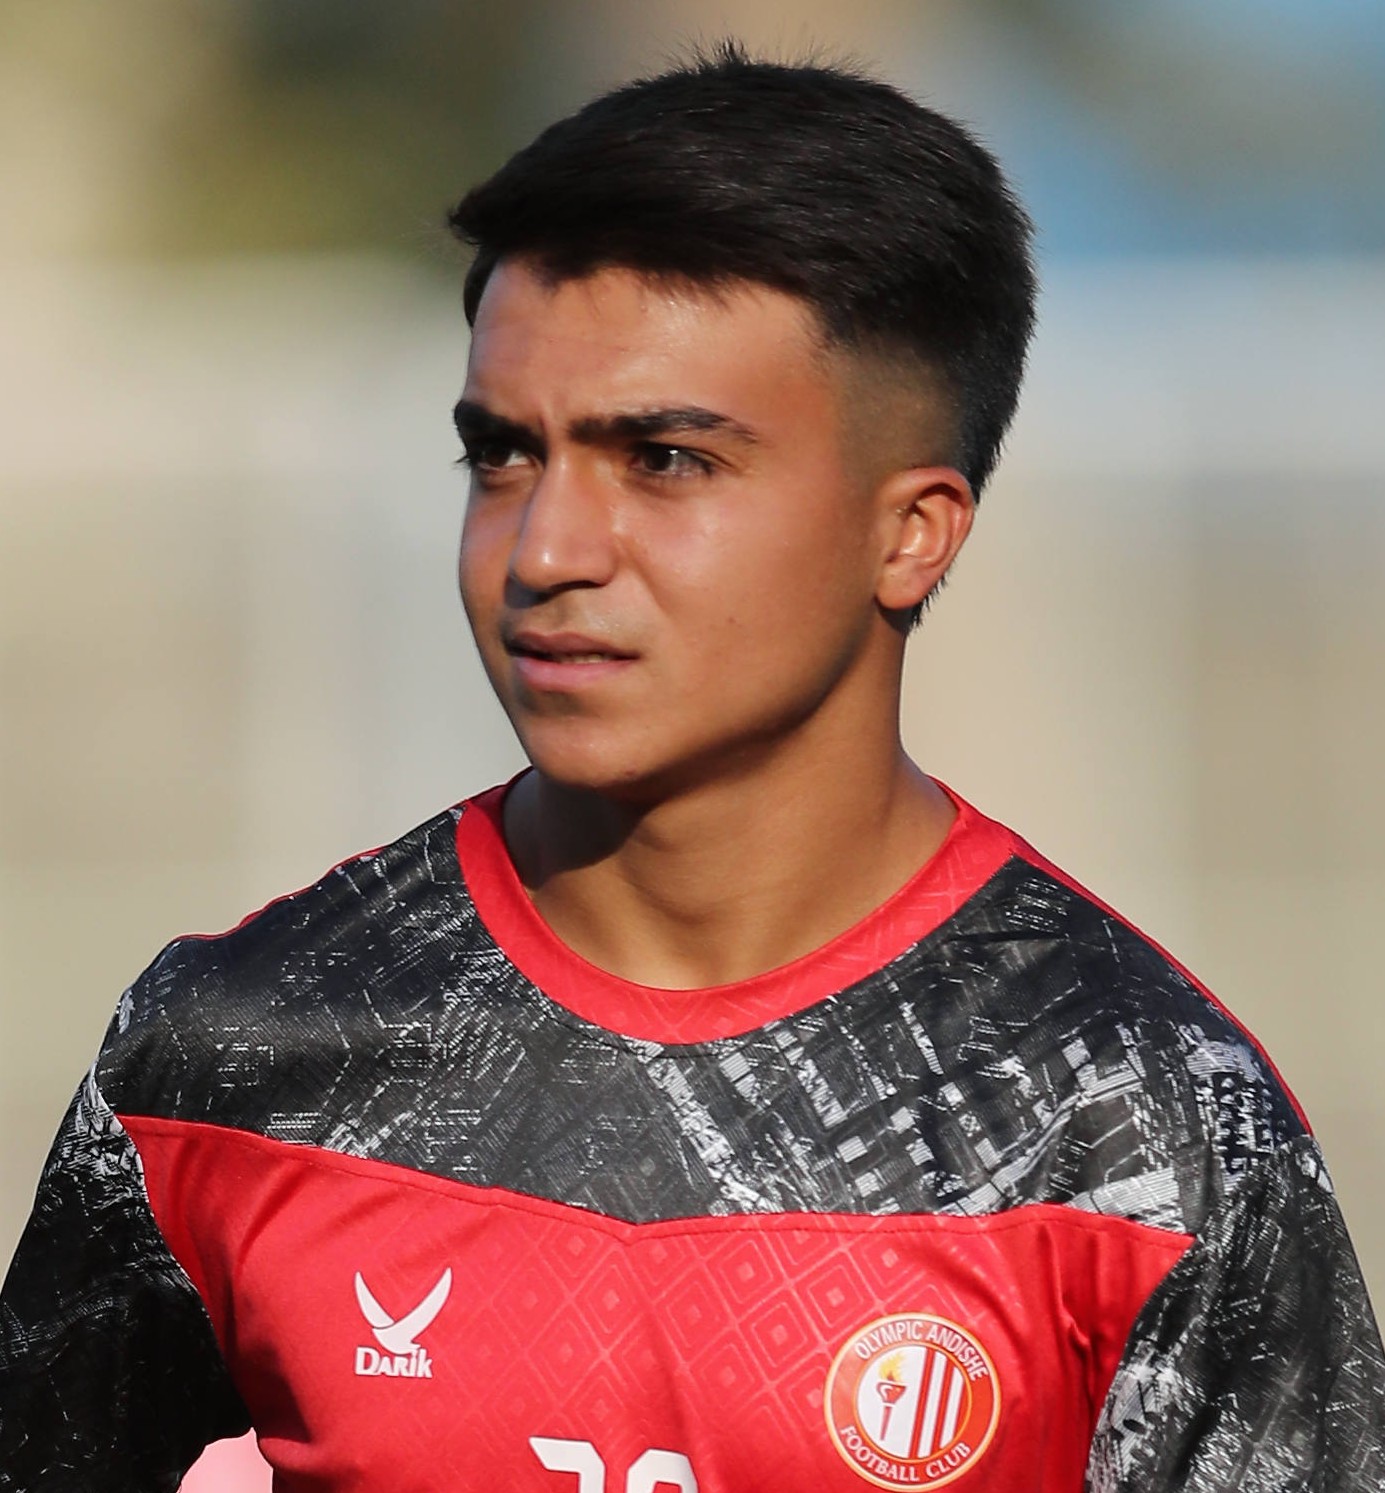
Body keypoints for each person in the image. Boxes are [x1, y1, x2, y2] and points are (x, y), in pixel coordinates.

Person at [2, 41, 1382, 1493]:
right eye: (502, 455)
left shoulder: (1135, 1123)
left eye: (662, 459)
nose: (546, 550)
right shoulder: (235, 1059)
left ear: (910, 531)